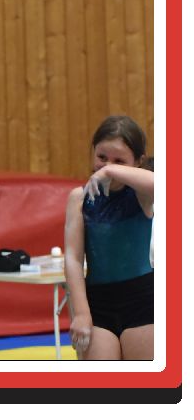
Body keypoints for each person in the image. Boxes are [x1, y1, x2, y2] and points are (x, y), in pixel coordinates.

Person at [64, 114, 154, 361]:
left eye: (119, 160)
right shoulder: (80, 198)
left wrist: (112, 170)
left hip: (143, 301)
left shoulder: (141, 194)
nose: (107, 166)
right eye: (102, 157)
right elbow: (73, 258)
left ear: (138, 162)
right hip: (98, 304)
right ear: (93, 151)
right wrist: (81, 313)